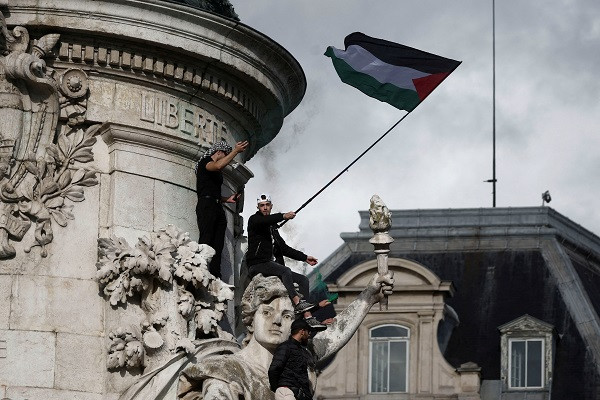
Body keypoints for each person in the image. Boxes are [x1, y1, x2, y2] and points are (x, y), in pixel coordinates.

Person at [177, 271, 394, 400]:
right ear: (250, 319)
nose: (277, 321)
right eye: (267, 312)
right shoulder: (227, 373)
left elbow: (335, 334)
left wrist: (369, 295)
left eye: (287, 315)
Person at [246, 193, 325, 330]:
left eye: (267, 205)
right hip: (257, 263)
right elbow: (264, 221)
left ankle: (306, 316)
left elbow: (284, 249)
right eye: (261, 206)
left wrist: (305, 257)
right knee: (285, 271)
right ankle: (297, 302)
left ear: (271, 206)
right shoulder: (254, 220)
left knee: (303, 280)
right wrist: (283, 216)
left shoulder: (272, 229)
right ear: (258, 207)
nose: (264, 208)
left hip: (270, 265)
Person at [195, 140, 248, 278]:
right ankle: (201, 268)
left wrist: (227, 199)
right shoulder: (206, 162)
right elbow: (218, 165)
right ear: (218, 152)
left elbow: (212, 189)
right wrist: (235, 151)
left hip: (217, 205)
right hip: (207, 205)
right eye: (225, 154)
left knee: (218, 243)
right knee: (207, 237)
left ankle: (215, 273)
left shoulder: (217, 171)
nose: (226, 158)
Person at [268, 318, 317, 400]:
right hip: (287, 393)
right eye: (308, 331)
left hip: (301, 395)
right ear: (302, 332)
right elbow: (274, 369)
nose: (309, 335)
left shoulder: (301, 350)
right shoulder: (285, 347)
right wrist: (279, 388)